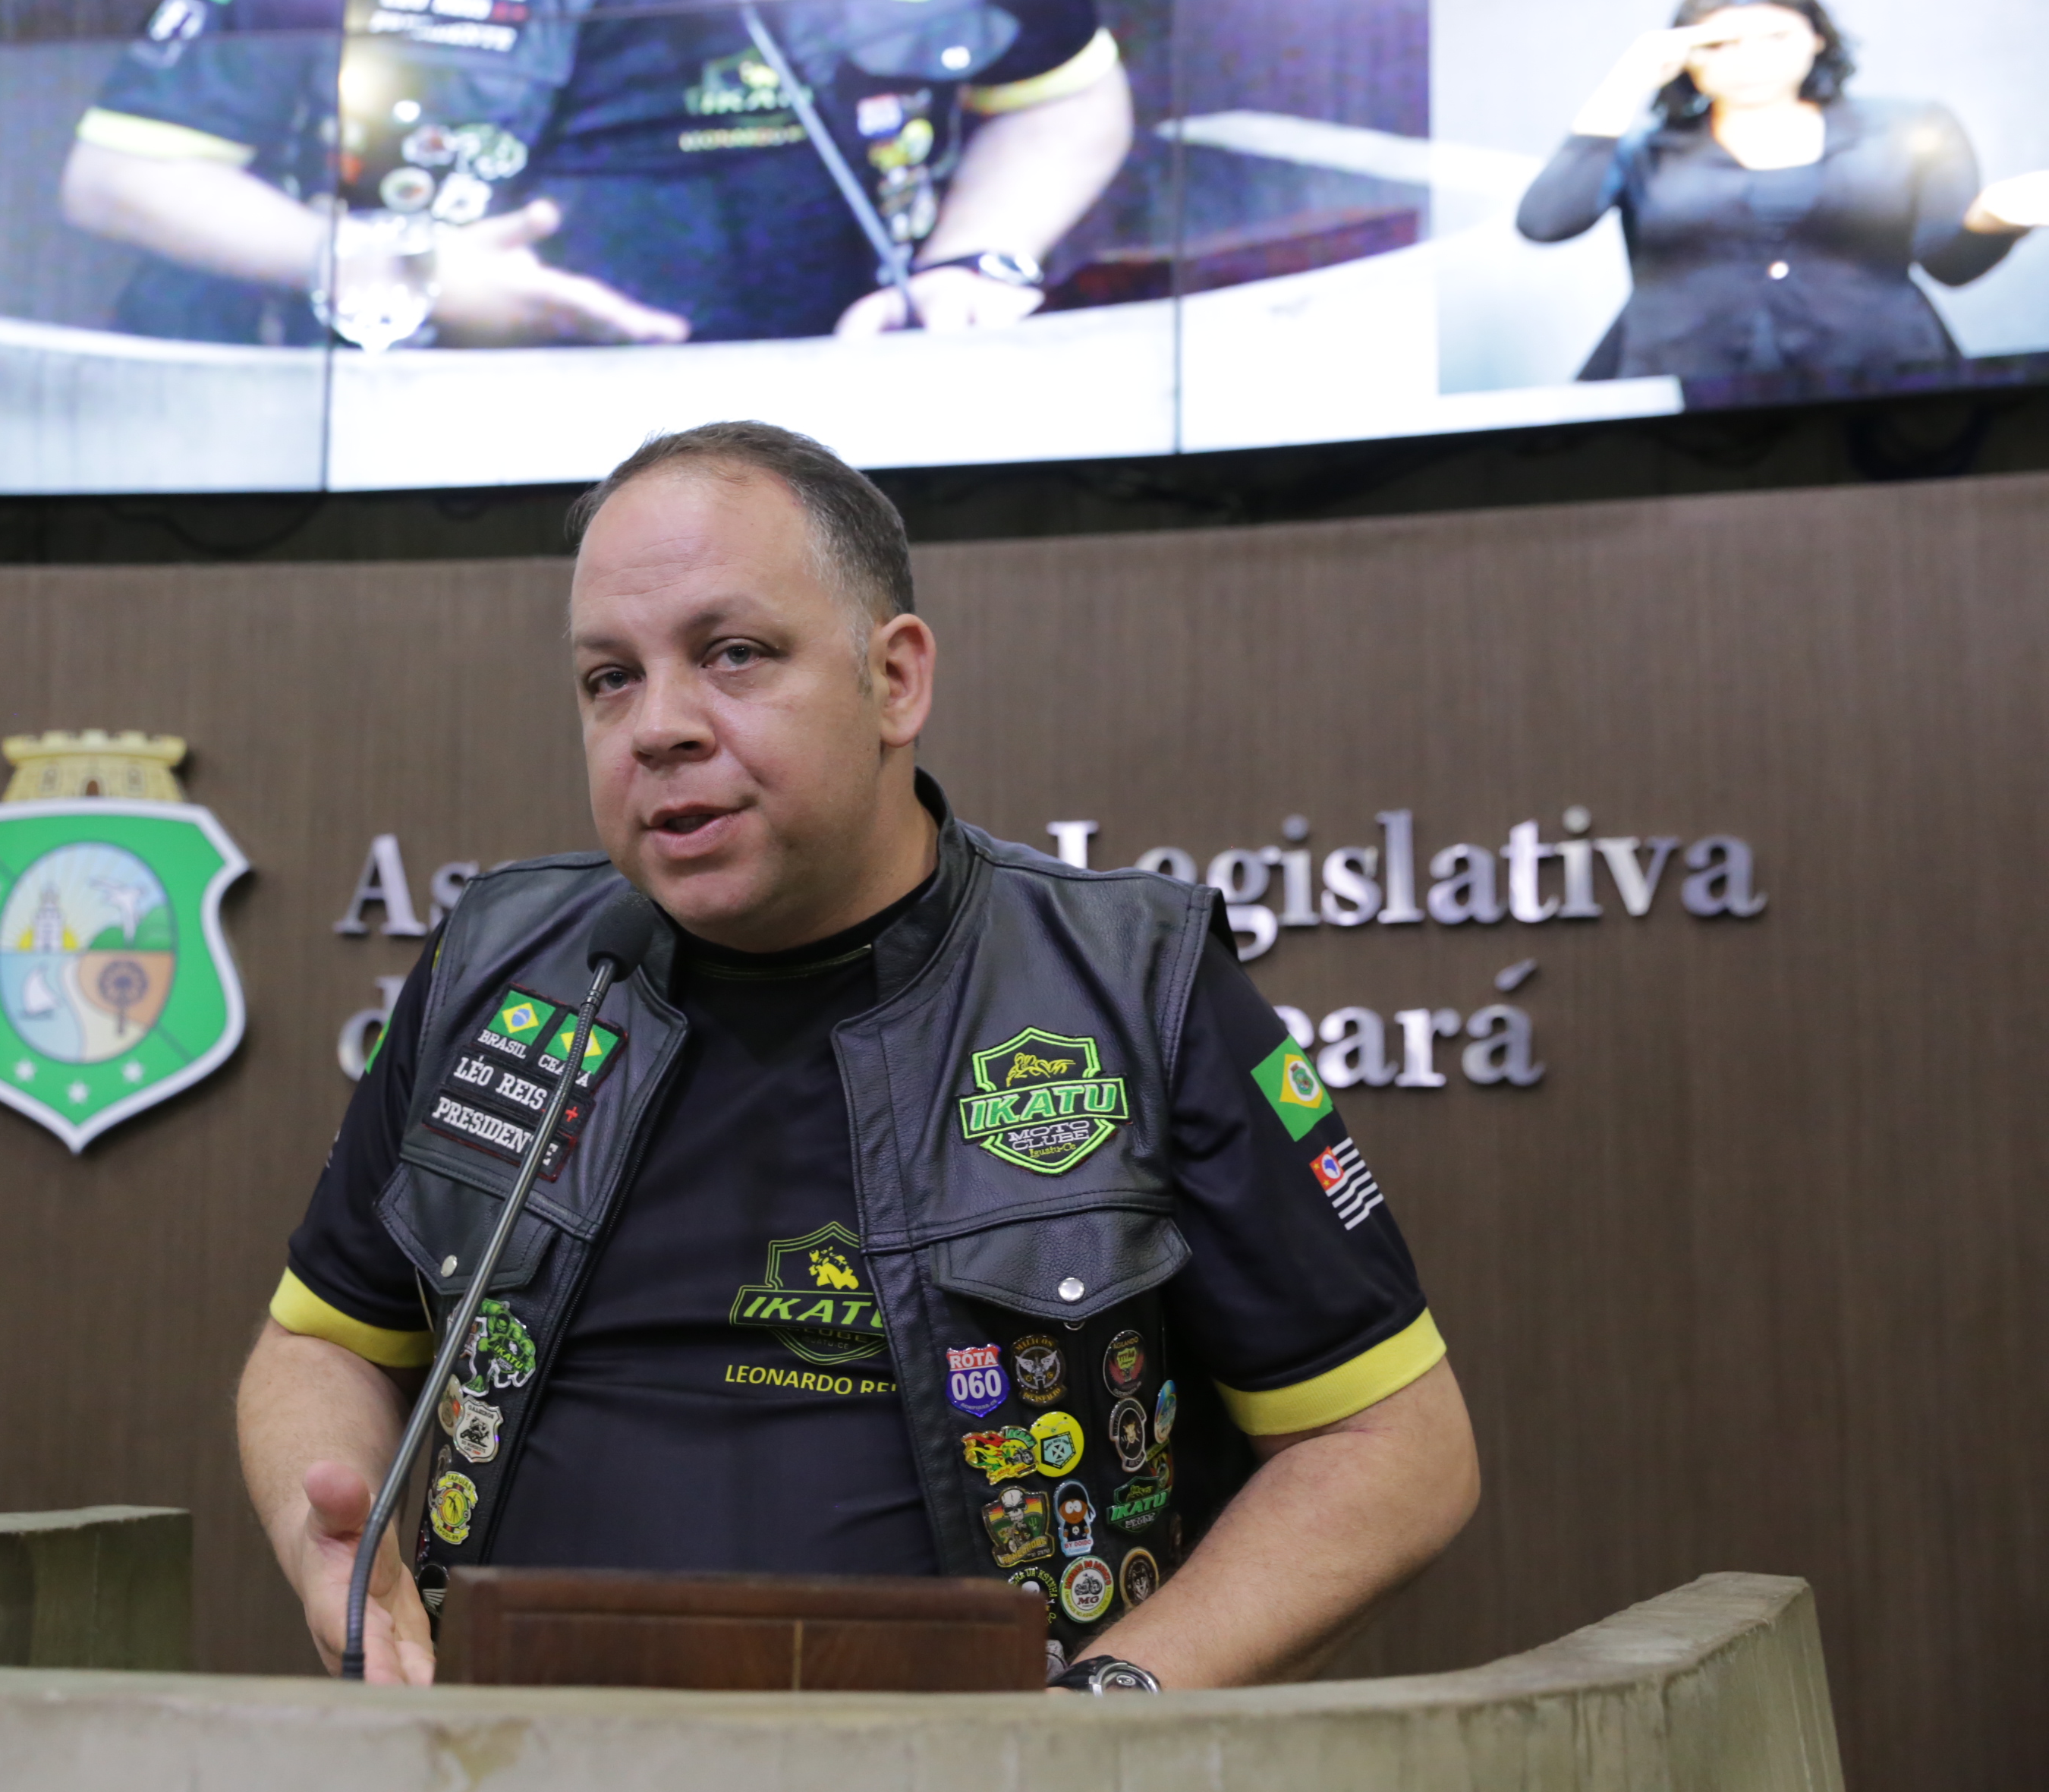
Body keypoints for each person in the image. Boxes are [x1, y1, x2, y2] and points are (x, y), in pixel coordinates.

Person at [237, 419, 1480, 1692]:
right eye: (609, 676)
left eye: (732, 654)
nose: (657, 725)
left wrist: (1096, 1724)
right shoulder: (499, 965)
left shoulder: (1134, 984)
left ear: (894, 680)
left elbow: (1393, 1445)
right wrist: (330, 1547)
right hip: (513, 1748)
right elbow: (321, 1342)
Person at [58, 0, 1131, 348]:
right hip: (447, 449)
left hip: (840, 434)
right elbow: (122, 174)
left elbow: (1067, 100)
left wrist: (970, 260)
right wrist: (389, 266)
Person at [1516, 0, 2049, 392]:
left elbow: (1950, 264)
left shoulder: (1907, 128)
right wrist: (1627, 81)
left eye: (1775, 37)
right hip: (1680, 386)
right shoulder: (1645, 150)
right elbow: (1545, 222)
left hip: (1879, 377)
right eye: (1720, 45)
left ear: (1816, 37)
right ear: (1685, 56)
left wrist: (1995, 217)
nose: (1750, 61)